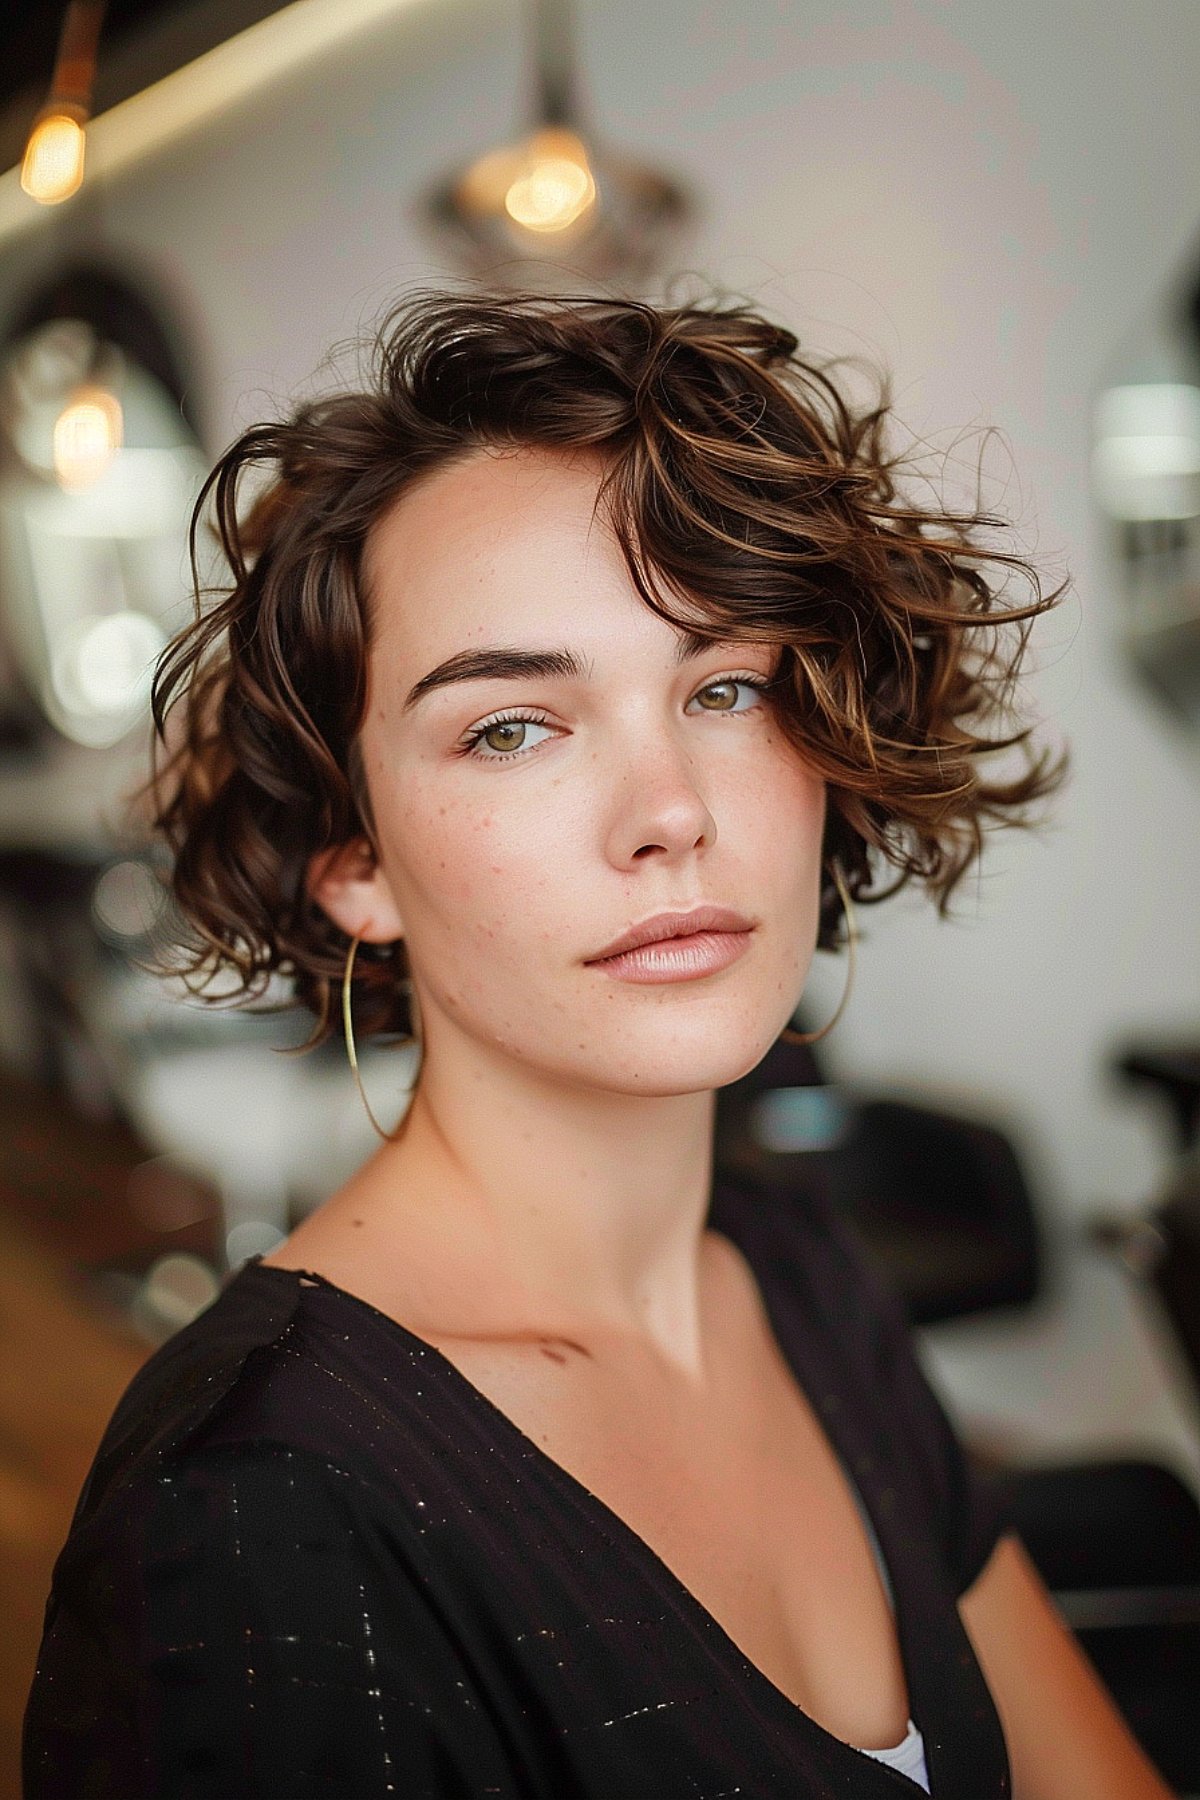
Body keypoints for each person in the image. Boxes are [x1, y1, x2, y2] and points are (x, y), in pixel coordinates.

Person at [22, 287, 1174, 1799]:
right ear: (351, 855)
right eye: (513, 726)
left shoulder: (796, 1276)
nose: (672, 811)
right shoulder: (256, 1523)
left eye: (726, 687)